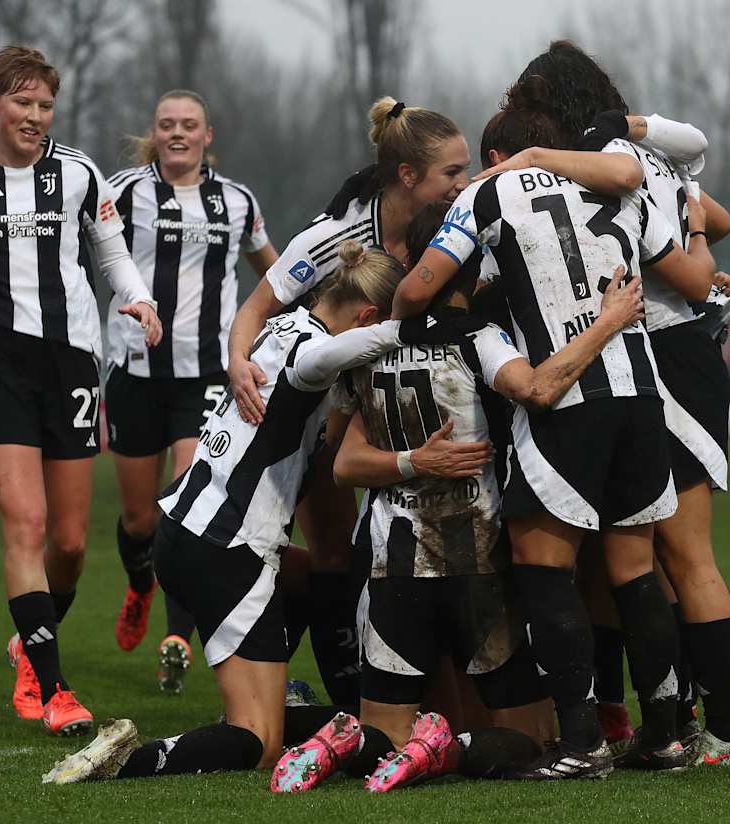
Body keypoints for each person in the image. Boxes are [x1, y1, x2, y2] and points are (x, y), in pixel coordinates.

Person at [41, 241, 492, 784]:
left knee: (321, 582)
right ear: (367, 315)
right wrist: (437, 327)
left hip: (186, 527)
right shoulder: (312, 353)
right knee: (257, 741)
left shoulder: (284, 325)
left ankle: (294, 696)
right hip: (229, 548)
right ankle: (126, 760)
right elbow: (343, 354)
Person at [391, 84, 716, 778]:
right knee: (635, 570)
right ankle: (665, 734)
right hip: (638, 391)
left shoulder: (488, 195)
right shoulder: (622, 188)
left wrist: (443, 297)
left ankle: (581, 742)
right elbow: (692, 264)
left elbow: (417, 291)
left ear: (497, 153)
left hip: (562, 397)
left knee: (545, 569)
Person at [271, 211, 646, 793]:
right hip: (476, 559)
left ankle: (342, 739)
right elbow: (539, 388)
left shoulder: (365, 350)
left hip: (390, 564)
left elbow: (342, 463)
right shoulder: (478, 339)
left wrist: (409, 462)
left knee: (384, 739)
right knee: (531, 741)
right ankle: (449, 747)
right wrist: (607, 323)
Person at [0, 47, 161, 736]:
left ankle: (30, 641)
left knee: (72, 545)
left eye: (45, 105)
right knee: (26, 523)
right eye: (23, 103)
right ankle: (55, 691)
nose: (36, 117)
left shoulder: (78, 173)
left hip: (73, 361)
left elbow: (111, 253)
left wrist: (138, 300)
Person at [510, 40, 730, 767]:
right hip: (670, 355)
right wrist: (696, 217)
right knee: (641, 553)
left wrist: (691, 241)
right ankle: (678, 716)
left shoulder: (604, 166)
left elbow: (695, 277)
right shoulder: (646, 153)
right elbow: (715, 214)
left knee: (681, 554)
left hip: (663, 352)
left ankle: (718, 730)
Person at [227, 96, 472, 706]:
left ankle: (413, 693)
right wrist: (237, 362)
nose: (463, 185)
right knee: (339, 553)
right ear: (408, 176)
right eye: (452, 173)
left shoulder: (457, 224)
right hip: (331, 417)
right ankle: (346, 699)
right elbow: (258, 306)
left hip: (415, 414)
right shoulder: (338, 235)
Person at [104, 89, 278, 693]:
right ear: (155, 133)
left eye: (190, 125)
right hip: (133, 370)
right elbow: (90, 257)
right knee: (137, 515)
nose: (178, 133)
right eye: (167, 125)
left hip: (204, 374)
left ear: (209, 135)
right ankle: (138, 583)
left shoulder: (237, 202)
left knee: (182, 501)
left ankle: (177, 636)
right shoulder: (123, 192)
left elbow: (273, 275)